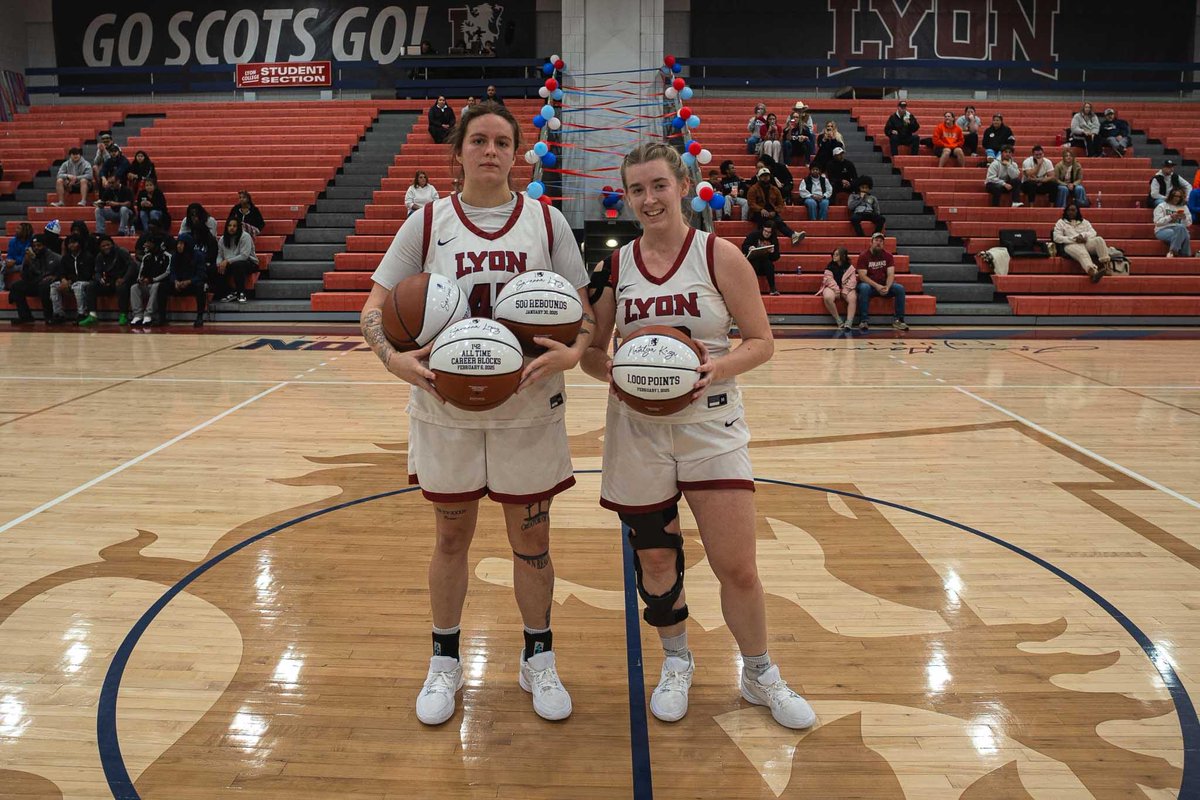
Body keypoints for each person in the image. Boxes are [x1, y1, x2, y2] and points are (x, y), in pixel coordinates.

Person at [358, 101, 594, 726]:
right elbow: (373, 310)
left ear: (519, 153)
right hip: (445, 408)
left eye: (502, 142)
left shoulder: (547, 223)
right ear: (458, 152)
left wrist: (573, 351)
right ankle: (444, 661)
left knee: (532, 540)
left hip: (528, 405)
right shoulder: (428, 221)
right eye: (479, 141)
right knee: (450, 537)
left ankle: (537, 658)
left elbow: (586, 314)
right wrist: (394, 360)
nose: (490, 151)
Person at [581, 140, 817, 731]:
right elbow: (590, 351)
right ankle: (677, 661)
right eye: (637, 189)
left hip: (711, 423)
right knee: (656, 564)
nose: (648, 198)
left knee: (736, 565)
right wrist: (614, 372)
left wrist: (715, 367)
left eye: (658, 185)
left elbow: (761, 341)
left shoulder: (719, 255)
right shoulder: (616, 264)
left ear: (682, 185)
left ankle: (759, 672)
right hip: (638, 432)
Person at [854, 232, 908, 331]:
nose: (878, 243)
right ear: (871, 242)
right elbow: (862, 276)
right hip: (870, 286)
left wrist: (887, 286)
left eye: (881, 241)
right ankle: (863, 321)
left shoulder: (888, 256)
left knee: (899, 288)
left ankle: (899, 320)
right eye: (876, 240)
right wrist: (877, 286)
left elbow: (891, 274)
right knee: (864, 287)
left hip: (883, 285)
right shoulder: (864, 256)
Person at [8, 235, 63, 325]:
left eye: (39, 245)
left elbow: (59, 272)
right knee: (16, 286)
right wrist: (26, 264)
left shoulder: (55, 257)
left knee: (44, 285)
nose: (36, 248)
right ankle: (25, 317)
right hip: (35, 283)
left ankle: (49, 316)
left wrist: (55, 277)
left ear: (45, 246)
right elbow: (24, 277)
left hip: (48, 284)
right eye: (34, 246)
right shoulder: (30, 257)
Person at [1052, 203, 1111, 282]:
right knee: (1082, 252)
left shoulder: (1084, 222)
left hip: (1085, 242)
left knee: (1099, 240)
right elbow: (1056, 238)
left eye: (1073, 210)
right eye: (1069, 210)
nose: (1071, 212)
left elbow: (1093, 232)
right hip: (1070, 245)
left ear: (1077, 212)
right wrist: (1074, 239)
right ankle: (1093, 272)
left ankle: (1107, 267)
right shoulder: (1060, 223)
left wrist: (1083, 236)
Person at [748, 167, 805, 244]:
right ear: (759, 177)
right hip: (757, 213)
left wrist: (775, 211)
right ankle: (760, 241)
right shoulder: (753, 189)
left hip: (772, 212)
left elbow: (780, 203)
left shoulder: (775, 189)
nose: (765, 178)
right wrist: (761, 209)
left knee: (779, 221)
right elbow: (751, 203)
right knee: (765, 220)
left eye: (767, 176)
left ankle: (793, 235)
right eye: (763, 176)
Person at [168, 233, 211, 327]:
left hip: (191, 284)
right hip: (178, 285)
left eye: (181, 244)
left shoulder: (198, 256)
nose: (179, 246)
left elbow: (201, 275)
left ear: (188, 245)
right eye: (178, 243)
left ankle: (199, 317)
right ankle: (161, 316)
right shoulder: (175, 256)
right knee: (162, 286)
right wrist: (175, 281)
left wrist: (188, 282)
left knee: (200, 286)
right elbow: (172, 271)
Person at [93, 235, 137, 326]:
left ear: (112, 244)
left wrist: (124, 279)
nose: (106, 247)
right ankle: (92, 315)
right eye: (103, 246)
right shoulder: (99, 256)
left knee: (121, 287)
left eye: (108, 245)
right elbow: (97, 271)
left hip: (125, 280)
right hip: (110, 281)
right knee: (91, 286)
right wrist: (100, 279)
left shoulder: (121, 251)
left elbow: (132, 266)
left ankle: (123, 315)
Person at [129, 236, 172, 326]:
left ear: (156, 245)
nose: (146, 245)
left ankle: (148, 315)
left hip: (158, 284)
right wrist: (140, 279)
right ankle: (138, 315)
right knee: (134, 288)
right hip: (146, 284)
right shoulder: (146, 257)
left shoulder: (167, 256)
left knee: (157, 286)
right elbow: (141, 273)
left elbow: (167, 273)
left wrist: (152, 280)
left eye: (149, 243)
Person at [58, 234, 99, 325]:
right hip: (69, 282)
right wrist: (63, 280)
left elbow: (87, 275)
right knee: (53, 286)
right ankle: (58, 314)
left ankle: (82, 313)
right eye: (69, 243)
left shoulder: (88, 256)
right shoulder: (66, 258)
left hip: (85, 282)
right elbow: (61, 271)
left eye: (74, 243)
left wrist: (70, 281)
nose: (71, 245)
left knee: (77, 286)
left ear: (80, 244)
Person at [215, 217, 258, 303]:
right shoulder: (222, 239)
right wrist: (219, 264)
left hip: (249, 263)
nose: (231, 228)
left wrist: (227, 261)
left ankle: (241, 292)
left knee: (237, 265)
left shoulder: (245, 236)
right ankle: (228, 293)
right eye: (230, 225)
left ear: (238, 227)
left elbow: (244, 256)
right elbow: (219, 255)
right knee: (217, 268)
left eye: (234, 226)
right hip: (231, 263)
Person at [818, 246, 857, 330]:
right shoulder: (830, 266)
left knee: (853, 298)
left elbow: (853, 281)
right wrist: (837, 291)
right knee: (828, 297)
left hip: (846, 288)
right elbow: (828, 280)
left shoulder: (849, 267)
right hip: (832, 288)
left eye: (836, 255)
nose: (834, 256)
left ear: (842, 256)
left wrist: (845, 291)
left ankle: (849, 322)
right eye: (833, 254)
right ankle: (838, 320)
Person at [741, 222, 781, 295]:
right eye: (765, 231)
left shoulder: (774, 239)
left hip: (765, 262)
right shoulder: (754, 235)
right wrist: (749, 247)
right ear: (762, 229)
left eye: (769, 232)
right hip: (753, 261)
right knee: (755, 263)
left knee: (769, 265)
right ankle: (750, 289)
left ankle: (772, 289)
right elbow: (744, 246)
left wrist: (772, 252)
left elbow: (776, 257)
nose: (766, 233)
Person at [1154, 187, 1192, 257]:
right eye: (1175, 196)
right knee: (1185, 235)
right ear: (1171, 196)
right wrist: (1170, 217)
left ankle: (1173, 252)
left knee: (1181, 229)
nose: (1177, 198)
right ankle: (1184, 255)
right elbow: (1157, 222)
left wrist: (1184, 218)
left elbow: (1189, 223)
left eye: (1179, 197)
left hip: (1180, 229)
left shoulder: (1184, 207)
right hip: (1163, 229)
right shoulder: (1162, 206)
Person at [3, 222, 34, 290]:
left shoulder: (31, 242)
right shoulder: (12, 241)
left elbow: (26, 257)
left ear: (25, 231)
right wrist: (9, 261)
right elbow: (10, 255)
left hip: (26, 264)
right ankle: (2, 287)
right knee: (2, 265)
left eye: (19, 229)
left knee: (27, 266)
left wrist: (15, 261)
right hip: (14, 265)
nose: (16, 230)